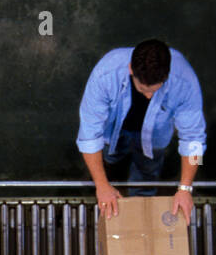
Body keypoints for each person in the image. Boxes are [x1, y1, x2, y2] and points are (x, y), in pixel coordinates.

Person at [76, 38, 206, 220]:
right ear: (131, 69)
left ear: (167, 75)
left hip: (155, 138)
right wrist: (102, 185)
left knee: (148, 171)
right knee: (108, 160)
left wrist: (185, 188)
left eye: (154, 90)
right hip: (112, 132)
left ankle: (142, 206)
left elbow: (194, 140)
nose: (148, 96)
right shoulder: (105, 74)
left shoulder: (185, 81)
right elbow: (89, 135)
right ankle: (103, 181)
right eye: (143, 89)